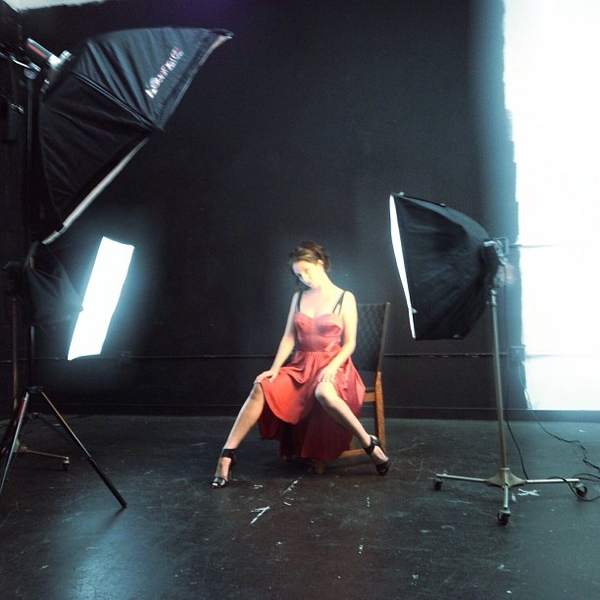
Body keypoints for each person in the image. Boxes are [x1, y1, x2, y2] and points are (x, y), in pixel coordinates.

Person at [211, 241, 389, 488]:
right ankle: (227, 455)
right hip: (301, 366)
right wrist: (275, 368)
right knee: (261, 385)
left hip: (334, 365)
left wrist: (331, 367)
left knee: (324, 392)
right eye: (299, 275)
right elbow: (289, 337)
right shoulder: (298, 297)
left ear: (321, 264)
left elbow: (350, 343)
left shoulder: (344, 297)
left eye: (307, 271)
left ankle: (369, 444)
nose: (304, 278)